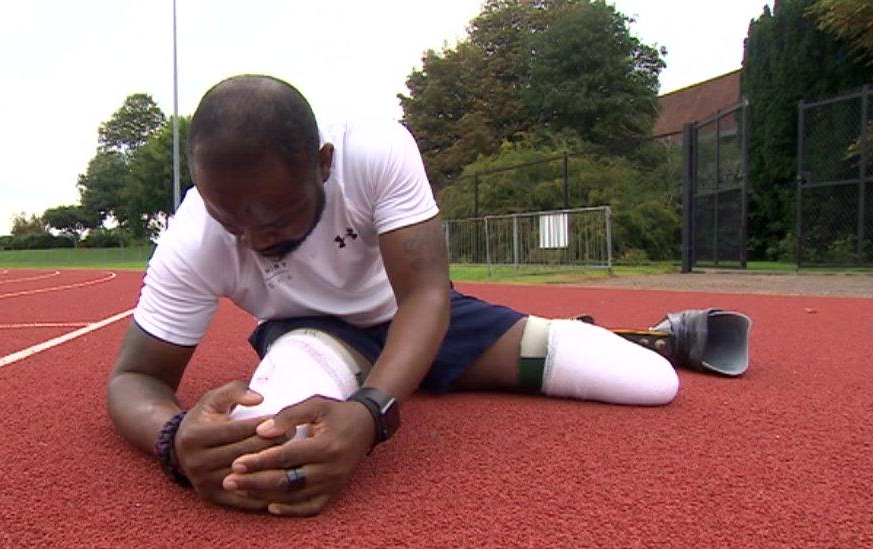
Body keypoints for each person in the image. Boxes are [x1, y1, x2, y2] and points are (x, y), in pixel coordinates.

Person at [106, 74, 681, 518]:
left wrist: (370, 411)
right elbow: (134, 379)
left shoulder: (374, 151)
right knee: (270, 450)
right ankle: (377, 371)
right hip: (314, 334)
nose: (254, 240)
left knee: (653, 383)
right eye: (229, 219)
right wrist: (174, 438)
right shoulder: (194, 235)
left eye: (277, 219)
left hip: (416, 314)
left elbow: (427, 294)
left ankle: (611, 334)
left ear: (323, 166)